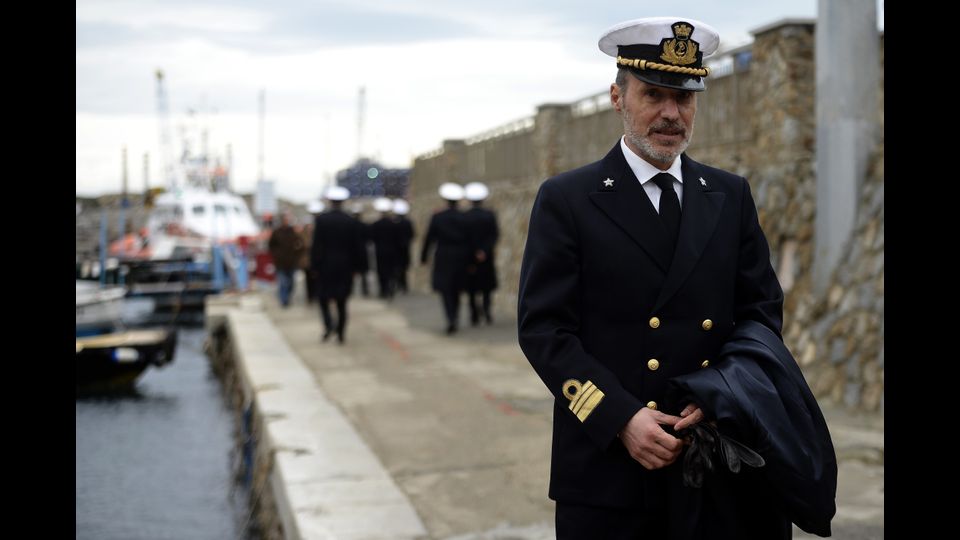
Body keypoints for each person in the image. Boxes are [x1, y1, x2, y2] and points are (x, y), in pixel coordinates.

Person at [517, 17, 787, 539]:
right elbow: (544, 329)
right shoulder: (569, 198)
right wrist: (618, 417)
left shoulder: (729, 195)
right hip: (607, 468)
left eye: (684, 99)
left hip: (715, 452)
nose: (671, 114)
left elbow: (760, 313)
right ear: (618, 96)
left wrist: (719, 394)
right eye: (654, 95)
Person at [310, 186, 365, 344]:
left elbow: (317, 246)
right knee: (342, 302)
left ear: (330, 201)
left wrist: (314, 266)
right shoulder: (351, 221)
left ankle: (328, 326)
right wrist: (358, 268)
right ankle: (341, 332)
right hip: (345, 267)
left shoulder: (321, 220)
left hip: (325, 266)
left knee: (323, 299)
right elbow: (357, 247)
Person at [420, 182, 470, 335]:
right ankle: (455, 316)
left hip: (443, 256)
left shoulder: (438, 217)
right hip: (461, 256)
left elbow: (429, 238)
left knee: (446, 289)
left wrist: (423, 257)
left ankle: (450, 318)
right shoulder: (464, 217)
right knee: (457, 288)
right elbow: (470, 239)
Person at [462, 182, 499, 325]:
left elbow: (464, 238)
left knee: (471, 287)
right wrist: (484, 250)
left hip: (469, 258)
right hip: (486, 257)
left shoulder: (464, 216)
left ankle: (474, 315)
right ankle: (487, 311)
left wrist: (474, 252)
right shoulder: (490, 215)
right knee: (487, 287)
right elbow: (494, 235)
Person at [267, 212, 305, 308]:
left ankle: (287, 296)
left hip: (291, 262)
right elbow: (271, 245)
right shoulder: (277, 232)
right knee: (283, 282)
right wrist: (276, 255)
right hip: (280, 262)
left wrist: (297, 253)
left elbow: (300, 243)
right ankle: (284, 300)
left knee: (291, 282)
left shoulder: (293, 231)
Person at [370, 197, 400, 300]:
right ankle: (391, 288)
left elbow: (372, 238)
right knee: (391, 270)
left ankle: (383, 290)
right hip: (392, 250)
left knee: (381, 271)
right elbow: (397, 239)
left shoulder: (375, 225)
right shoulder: (394, 224)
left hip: (380, 251)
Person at [301, 200, 325, 304]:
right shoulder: (303, 235)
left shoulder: (319, 232)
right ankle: (310, 296)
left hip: (318, 260)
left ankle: (316, 295)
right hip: (308, 262)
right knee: (309, 281)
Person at [392, 199, 415, 294]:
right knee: (403, 268)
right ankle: (403, 286)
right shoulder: (408, 222)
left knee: (397, 268)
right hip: (405, 248)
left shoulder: (394, 223)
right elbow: (412, 234)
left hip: (396, 249)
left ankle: (399, 285)